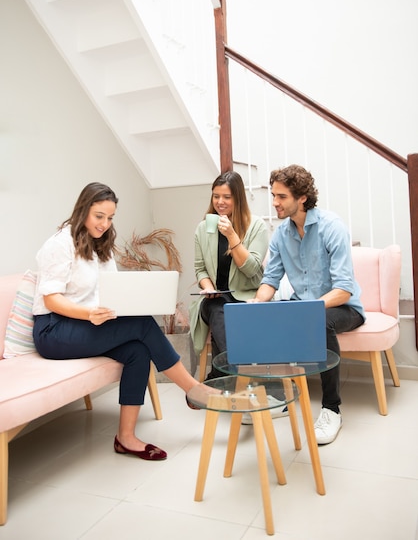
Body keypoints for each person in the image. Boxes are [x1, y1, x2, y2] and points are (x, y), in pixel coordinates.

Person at [32, 182, 209, 462]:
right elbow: (52, 300)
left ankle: (125, 438)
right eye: (98, 216)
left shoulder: (101, 244)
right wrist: (89, 314)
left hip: (87, 325)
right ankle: (193, 390)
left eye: (110, 217)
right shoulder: (59, 244)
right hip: (54, 329)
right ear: (83, 211)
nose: (104, 224)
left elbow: (111, 290)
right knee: (142, 325)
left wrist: (127, 305)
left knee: (137, 352)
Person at [252, 165, 365, 445]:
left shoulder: (332, 227)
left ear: (302, 197)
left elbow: (344, 289)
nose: (275, 203)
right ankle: (279, 396)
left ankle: (331, 409)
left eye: (281, 197)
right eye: (273, 196)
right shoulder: (280, 235)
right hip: (304, 306)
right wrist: (257, 302)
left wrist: (309, 309)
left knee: (318, 320)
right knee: (267, 315)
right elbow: (271, 280)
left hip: (343, 307)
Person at [189, 171, 269, 382]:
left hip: (246, 297)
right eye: (216, 196)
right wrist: (208, 288)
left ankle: (219, 375)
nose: (220, 202)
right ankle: (243, 375)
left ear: (238, 198)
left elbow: (251, 270)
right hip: (214, 299)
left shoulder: (257, 226)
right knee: (219, 310)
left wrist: (232, 235)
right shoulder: (203, 228)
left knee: (226, 316)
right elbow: (200, 269)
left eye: (227, 197)